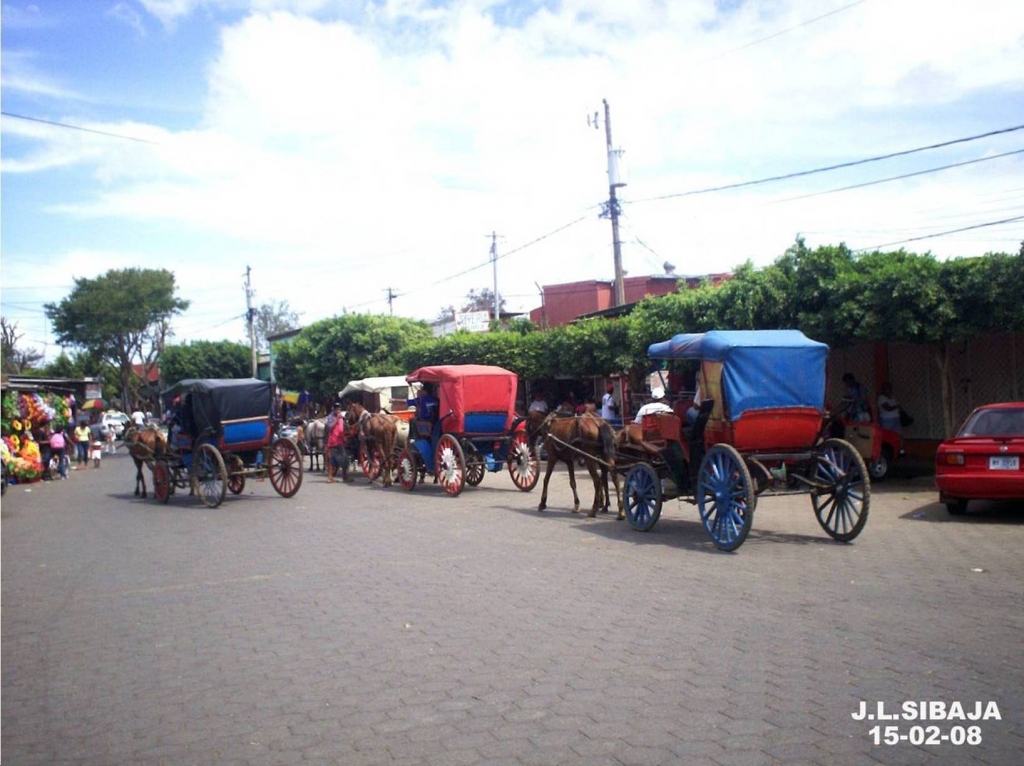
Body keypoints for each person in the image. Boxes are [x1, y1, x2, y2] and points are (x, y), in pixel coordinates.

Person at [325, 403, 352, 483]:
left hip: (340, 440)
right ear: (333, 409)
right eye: (336, 409)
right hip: (333, 441)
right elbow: (329, 428)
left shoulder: (341, 418)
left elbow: (342, 428)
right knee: (334, 460)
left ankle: (344, 476)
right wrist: (336, 419)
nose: (338, 410)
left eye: (339, 409)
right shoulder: (331, 417)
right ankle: (331, 477)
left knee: (343, 459)